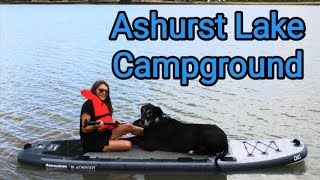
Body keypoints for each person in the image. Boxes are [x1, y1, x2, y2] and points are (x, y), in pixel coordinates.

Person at [80, 80, 143, 152]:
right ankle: (106, 146)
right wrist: (96, 126)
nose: (103, 93)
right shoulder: (88, 105)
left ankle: (151, 134)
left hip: (104, 134)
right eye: (101, 90)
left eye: (106, 91)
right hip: (92, 142)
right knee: (128, 145)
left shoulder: (105, 104)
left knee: (129, 126)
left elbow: (105, 122)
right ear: (94, 90)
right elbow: (84, 129)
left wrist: (114, 124)